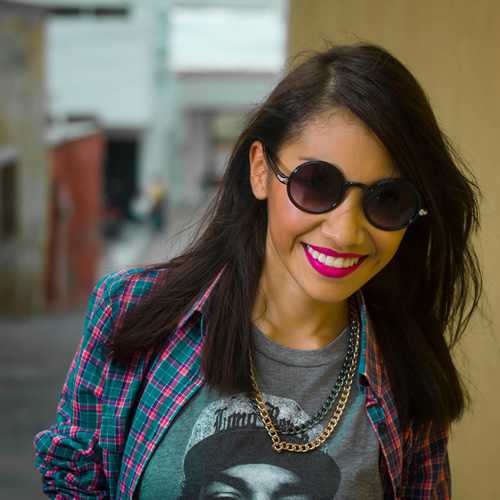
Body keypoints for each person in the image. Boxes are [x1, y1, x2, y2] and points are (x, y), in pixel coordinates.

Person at [34, 44, 482, 499]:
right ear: (261, 171)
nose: (345, 232)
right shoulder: (131, 311)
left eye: (387, 199)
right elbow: (74, 483)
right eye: (317, 183)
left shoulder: (408, 373)